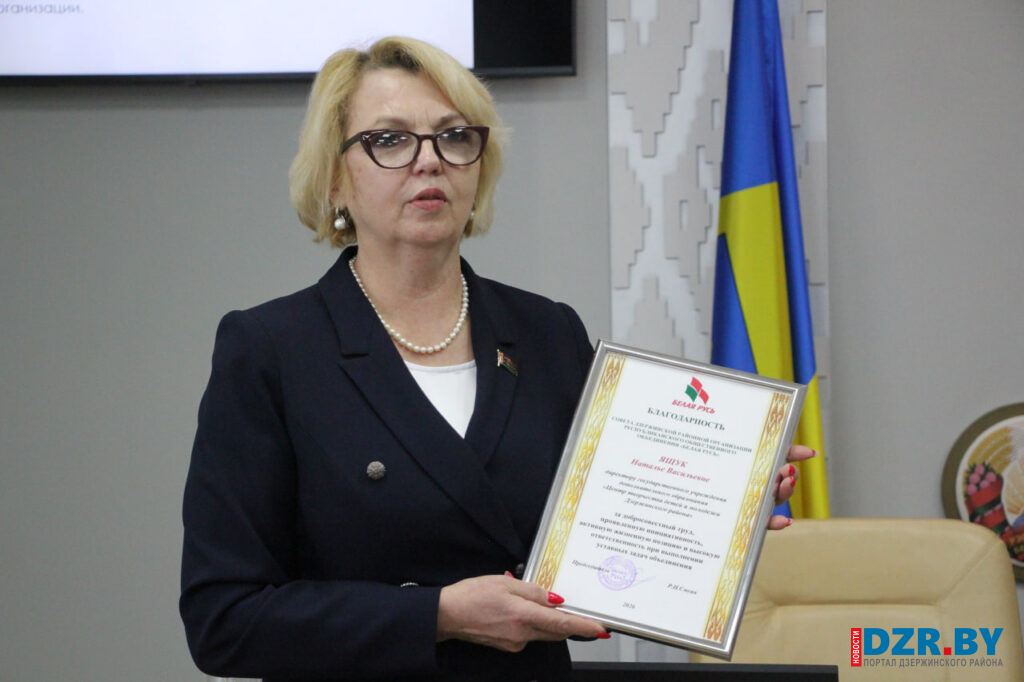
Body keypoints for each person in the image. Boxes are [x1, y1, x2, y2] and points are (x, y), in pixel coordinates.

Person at [179, 36, 812, 682]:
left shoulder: (547, 332)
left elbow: (604, 535)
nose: (430, 161)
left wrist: (717, 498)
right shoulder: (272, 350)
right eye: (390, 140)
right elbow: (223, 619)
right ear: (335, 178)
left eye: (454, 136)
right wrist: (436, 616)